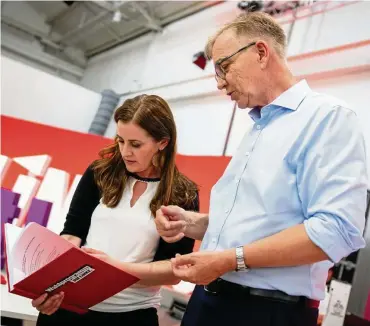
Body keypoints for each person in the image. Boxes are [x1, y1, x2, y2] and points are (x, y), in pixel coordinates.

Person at [155, 12, 368, 326]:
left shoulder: (327, 118)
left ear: (261, 52)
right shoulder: (258, 127)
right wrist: (194, 224)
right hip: (209, 299)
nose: (218, 82)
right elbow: (259, 225)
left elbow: (336, 230)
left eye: (223, 67)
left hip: (266, 312)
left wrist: (228, 260)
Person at [32, 94, 199, 326]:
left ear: (163, 142)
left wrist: (117, 271)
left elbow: (173, 269)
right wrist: (54, 283)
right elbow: (72, 233)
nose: (125, 152)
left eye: (136, 144)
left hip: (131, 315)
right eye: (120, 140)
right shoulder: (99, 173)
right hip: (70, 306)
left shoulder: (183, 194)